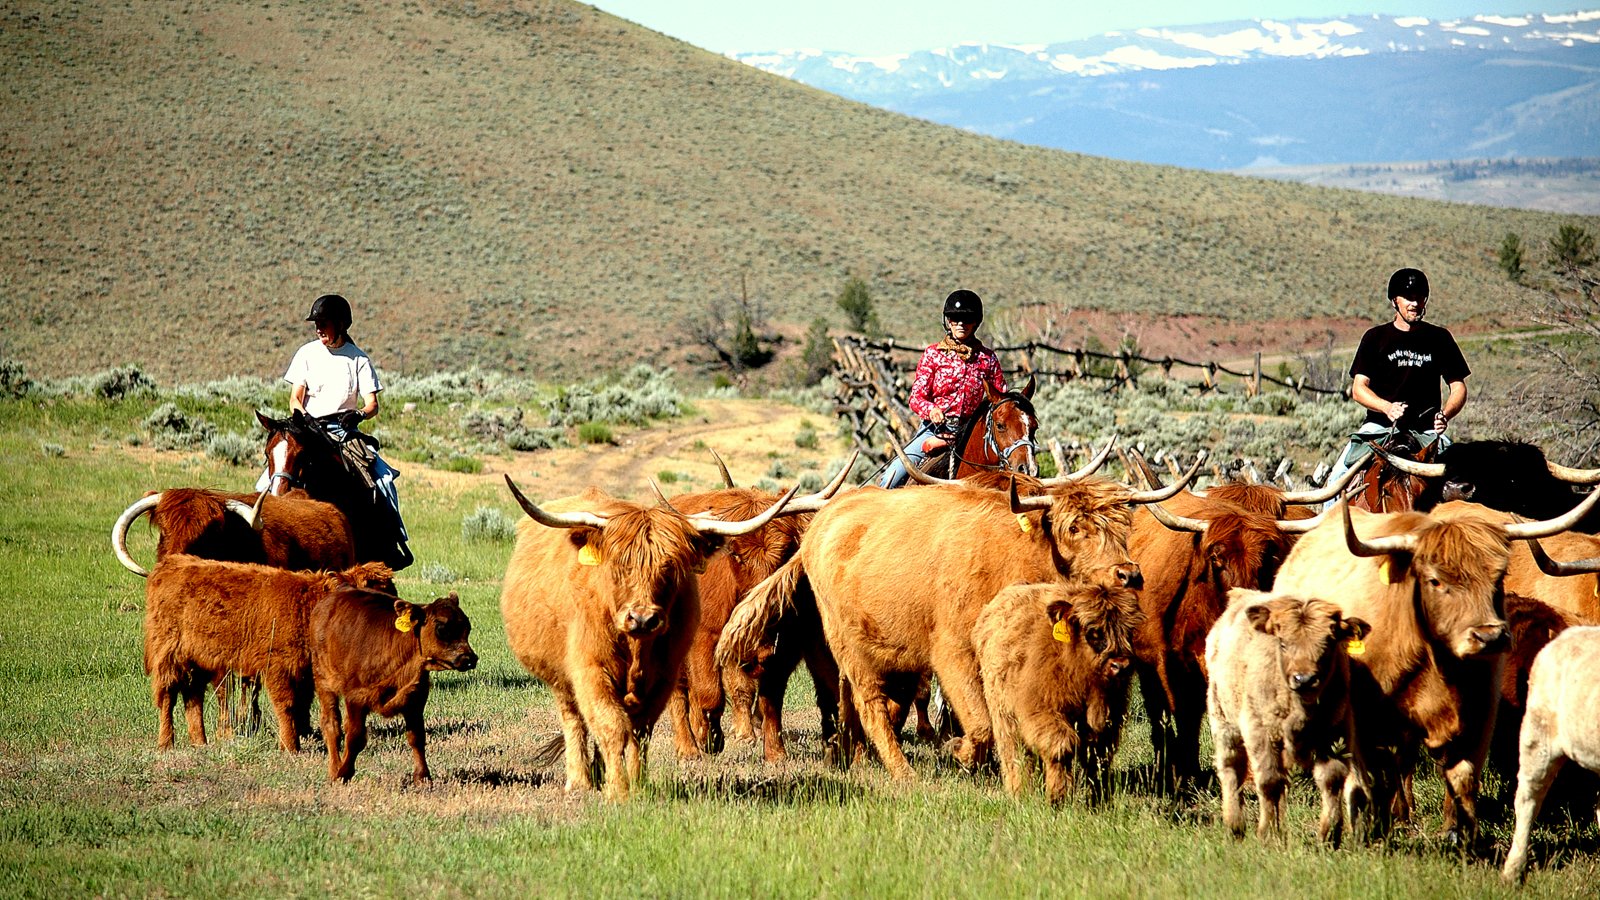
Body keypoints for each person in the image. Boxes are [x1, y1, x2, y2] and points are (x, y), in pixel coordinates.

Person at [259, 293, 412, 568]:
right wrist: (303, 418)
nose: (319, 329)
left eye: (324, 323)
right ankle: (257, 539)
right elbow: (295, 397)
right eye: (316, 323)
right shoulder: (306, 353)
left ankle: (392, 542)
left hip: (344, 432)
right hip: (307, 428)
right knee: (266, 482)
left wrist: (359, 415)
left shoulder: (358, 359)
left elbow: (373, 404)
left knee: (384, 481)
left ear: (340, 324)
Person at [1322, 267, 1469, 504]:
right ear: (1394, 301)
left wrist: (1446, 414)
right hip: (1379, 430)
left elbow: (1458, 387)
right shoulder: (1375, 338)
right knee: (1336, 483)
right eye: (1409, 298)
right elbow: (1359, 389)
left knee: (1466, 486)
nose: (1415, 304)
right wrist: (1386, 407)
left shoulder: (1440, 338)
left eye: (1420, 298)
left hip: (1427, 433)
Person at [879, 289, 1009, 488]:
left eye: (966, 319)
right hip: (935, 431)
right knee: (892, 475)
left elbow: (1002, 398)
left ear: (976, 322)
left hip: (973, 435)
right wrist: (931, 410)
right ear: (948, 321)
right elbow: (916, 397)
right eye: (954, 318)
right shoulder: (933, 355)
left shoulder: (987, 359)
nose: (960, 323)